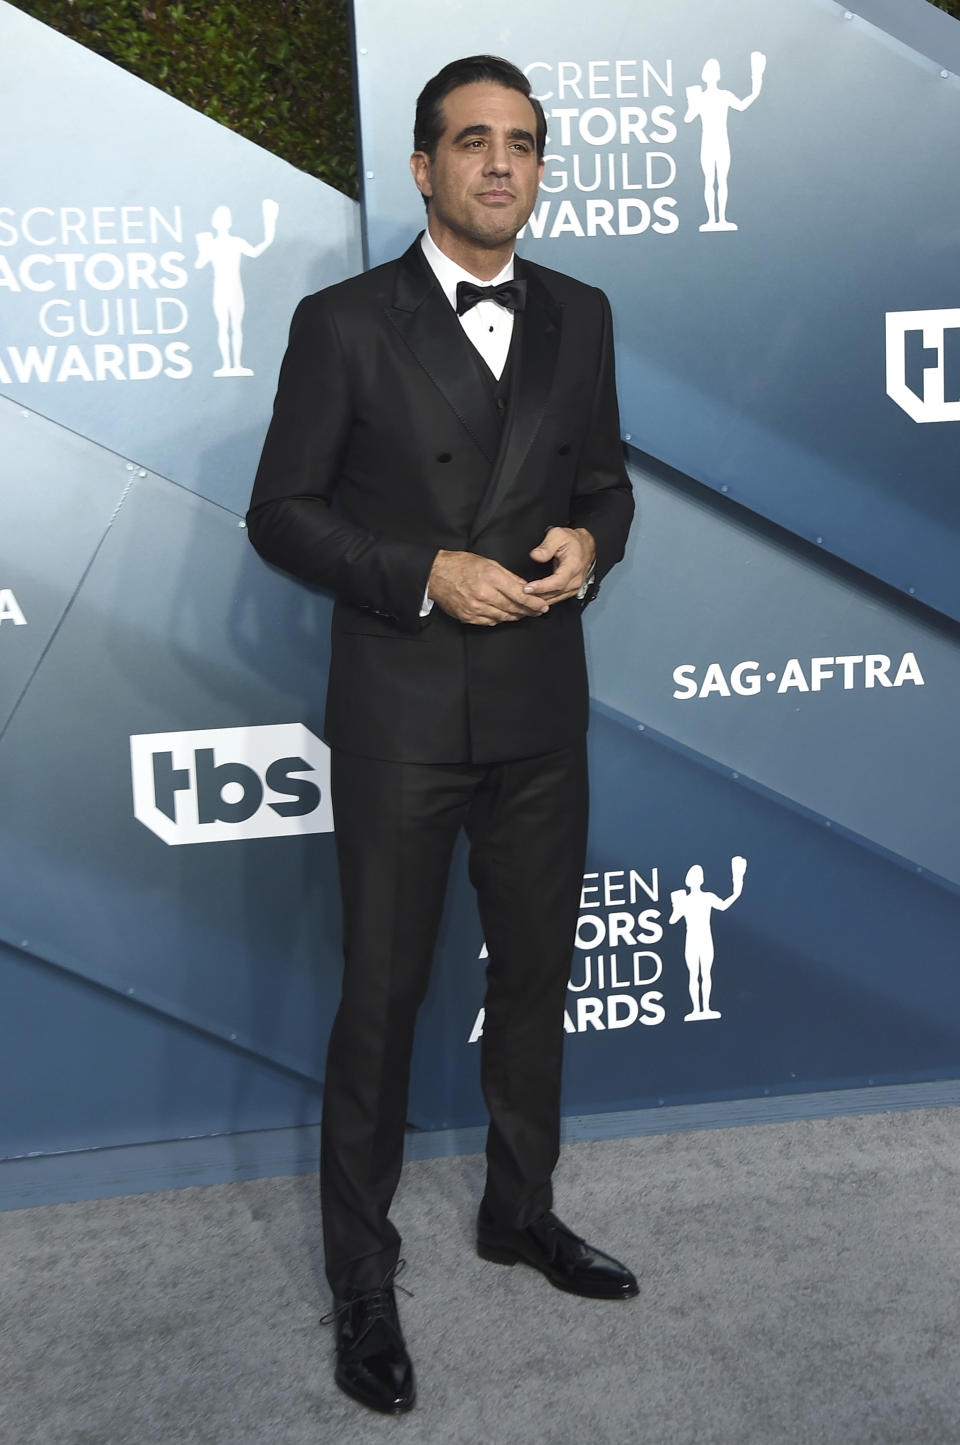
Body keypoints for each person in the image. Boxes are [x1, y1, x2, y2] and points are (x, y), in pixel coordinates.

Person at [247, 55, 636, 1416]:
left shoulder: (581, 313)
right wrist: (425, 571)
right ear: (423, 167)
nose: (497, 164)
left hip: (539, 705)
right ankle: (363, 1277)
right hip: (404, 709)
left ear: (538, 166)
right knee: (385, 998)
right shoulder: (344, 322)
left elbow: (608, 481)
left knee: (534, 978)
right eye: (471, 142)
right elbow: (280, 512)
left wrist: (597, 539)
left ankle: (518, 1210)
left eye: (521, 143)